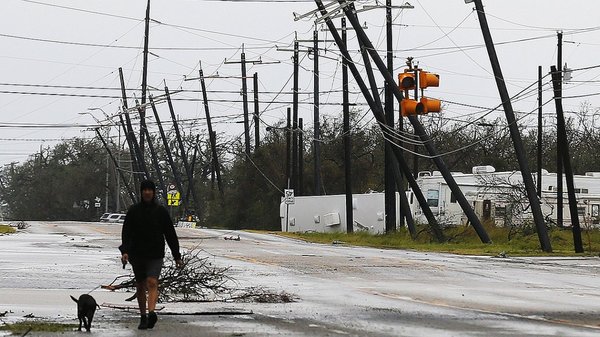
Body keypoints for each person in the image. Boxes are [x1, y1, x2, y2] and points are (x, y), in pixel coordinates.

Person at [119, 179, 183, 330]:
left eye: (150, 190)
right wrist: (125, 251)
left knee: (152, 282)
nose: (147, 192)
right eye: (144, 190)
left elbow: (170, 235)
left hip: (155, 254)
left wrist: (177, 255)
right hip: (137, 254)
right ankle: (143, 317)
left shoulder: (161, 212)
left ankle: (152, 313)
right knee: (140, 286)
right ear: (141, 192)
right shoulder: (134, 211)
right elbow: (126, 233)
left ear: (153, 192)